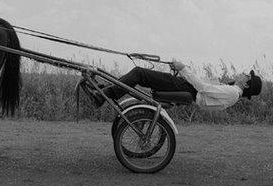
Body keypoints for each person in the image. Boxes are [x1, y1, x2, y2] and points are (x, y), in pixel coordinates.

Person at [98, 60, 262, 110]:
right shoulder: (232, 90)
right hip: (185, 87)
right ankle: (105, 91)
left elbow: (204, 88)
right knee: (140, 75)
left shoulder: (233, 92)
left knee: (140, 73)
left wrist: (184, 68)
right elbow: (207, 87)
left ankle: (103, 94)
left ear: (246, 85)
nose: (243, 73)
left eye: (246, 75)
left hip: (186, 88)